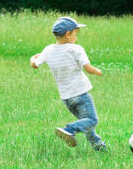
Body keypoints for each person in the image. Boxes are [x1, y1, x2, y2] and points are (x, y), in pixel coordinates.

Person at [30, 17, 107, 150]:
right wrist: (98, 71)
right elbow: (88, 68)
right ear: (68, 34)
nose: (76, 38)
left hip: (66, 98)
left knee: (85, 123)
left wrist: (33, 58)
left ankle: (99, 147)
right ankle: (69, 129)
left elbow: (34, 64)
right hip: (81, 95)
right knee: (92, 121)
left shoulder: (48, 50)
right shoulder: (75, 49)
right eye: (76, 35)